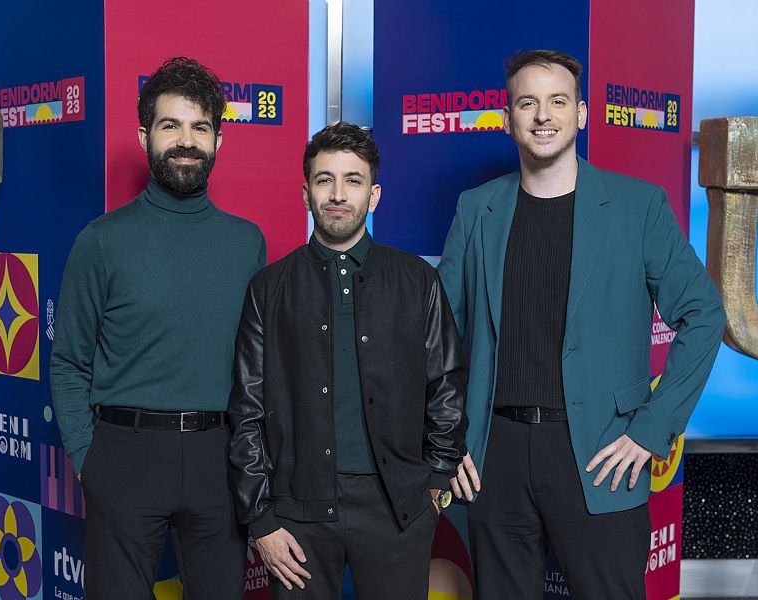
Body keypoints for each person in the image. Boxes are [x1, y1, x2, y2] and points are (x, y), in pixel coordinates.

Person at [437, 49, 725, 599]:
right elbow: (438, 336)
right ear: (508, 117)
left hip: (600, 454)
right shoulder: (476, 209)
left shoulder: (637, 207)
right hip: (493, 455)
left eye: (558, 102)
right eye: (528, 102)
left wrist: (651, 428)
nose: (543, 115)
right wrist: (446, 438)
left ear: (582, 114)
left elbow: (704, 315)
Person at [50, 56, 266, 599]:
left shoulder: (247, 244)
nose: (186, 141)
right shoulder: (100, 241)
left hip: (220, 456)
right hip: (125, 453)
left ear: (220, 140)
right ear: (145, 135)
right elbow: (69, 359)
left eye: (200, 127)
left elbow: (260, 363)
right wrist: (87, 459)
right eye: (171, 126)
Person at [228, 122, 467, 600]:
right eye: (324, 180)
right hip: (297, 512)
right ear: (306, 192)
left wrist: (437, 481)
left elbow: (446, 383)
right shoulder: (269, 288)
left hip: (397, 505)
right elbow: (246, 409)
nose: (338, 194)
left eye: (353, 180)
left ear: (373, 195)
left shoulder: (417, 280)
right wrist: (261, 518)